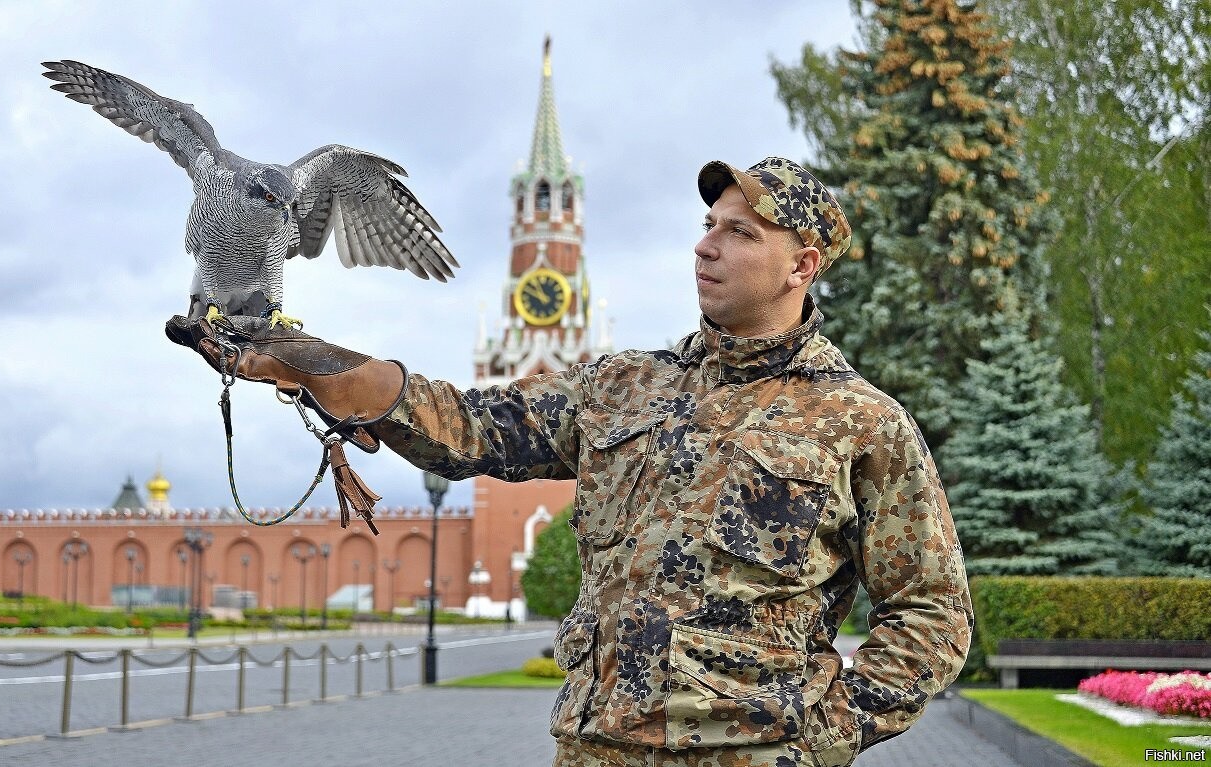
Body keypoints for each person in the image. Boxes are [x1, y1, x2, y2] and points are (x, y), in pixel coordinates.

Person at [167, 157, 973, 767]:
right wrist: (314, 363)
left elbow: (933, 613)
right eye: (707, 224)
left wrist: (820, 738)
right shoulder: (623, 386)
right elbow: (472, 423)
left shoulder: (861, 422)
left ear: (801, 265)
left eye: (739, 232)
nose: (706, 245)